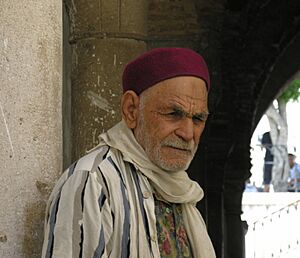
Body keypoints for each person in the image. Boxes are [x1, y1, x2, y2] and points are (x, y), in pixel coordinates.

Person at [41, 48, 216, 258]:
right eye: (173, 114)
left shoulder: (183, 192)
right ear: (131, 110)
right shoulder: (93, 182)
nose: (188, 133)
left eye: (198, 119)